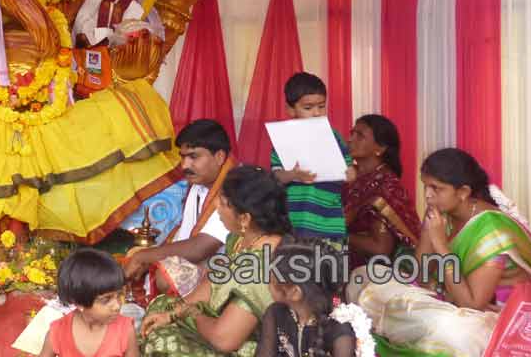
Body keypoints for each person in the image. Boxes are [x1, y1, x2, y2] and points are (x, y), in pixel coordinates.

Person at [351, 148, 531, 357]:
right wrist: (429, 234)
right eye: (425, 187)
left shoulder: (492, 231)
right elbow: (420, 276)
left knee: (447, 329)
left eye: (436, 188)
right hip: (449, 298)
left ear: (463, 192)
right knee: (363, 275)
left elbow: (471, 304)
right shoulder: (443, 214)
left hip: (492, 318)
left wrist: (440, 244)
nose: (428, 196)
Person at [139, 166, 292, 356]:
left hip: (250, 346)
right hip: (218, 324)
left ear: (245, 219)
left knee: (161, 342)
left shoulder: (260, 268)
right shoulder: (243, 240)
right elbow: (211, 283)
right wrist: (172, 313)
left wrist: (191, 313)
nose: (215, 206)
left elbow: (224, 339)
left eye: (223, 202)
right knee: (163, 306)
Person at [123, 119, 235, 297]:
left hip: (235, 275)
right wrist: (144, 257)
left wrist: (143, 257)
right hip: (209, 269)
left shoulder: (235, 188)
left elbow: (200, 248)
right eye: (183, 157)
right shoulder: (197, 185)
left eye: (193, 157)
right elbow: (184, 238)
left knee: (167, 276)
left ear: (219, 157)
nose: (184, 165)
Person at [270, 73, 352, 245]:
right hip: (294, 223)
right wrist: (294, 175)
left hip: (330, 224)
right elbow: (275, 176)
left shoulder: (334, 136)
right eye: (308, 108)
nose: (316, 113)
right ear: (291, 109)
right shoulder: (284, 137)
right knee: (297, 267)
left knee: (328, 268)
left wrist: (348, 172)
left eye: (321, 107)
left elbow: (350, 172)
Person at [341, 114, 421, 270]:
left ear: (380, 148)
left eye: (360, 135)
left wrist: (335, 235)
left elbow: (381, 249)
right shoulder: (350, 177)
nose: (350, 139)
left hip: (372, 275)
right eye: (352, 133)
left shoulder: (386, 186)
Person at [255, 238, 356, 357]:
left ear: (295, 292)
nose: (267, 284)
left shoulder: (340, 329)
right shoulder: (276, 313)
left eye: (271, 280)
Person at [39, 248, 138, 357]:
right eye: (106, 300)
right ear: (78, 302)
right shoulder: (57, 332)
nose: (117, 306)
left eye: (119, 295)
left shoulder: (125, 330)